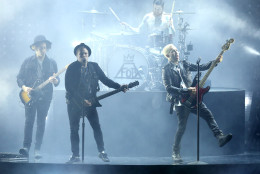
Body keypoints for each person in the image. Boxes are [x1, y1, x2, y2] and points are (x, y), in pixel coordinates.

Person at [161, 44, 232, 162]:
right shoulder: (166, 69)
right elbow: (168, 88)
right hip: (180, 100)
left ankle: (219, 137)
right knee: (182, 127)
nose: (177, 52)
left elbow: (201, 67)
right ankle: (175, 153)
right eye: (173, 51)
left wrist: (215, 61)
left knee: (208, 115)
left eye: (177, 50)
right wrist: (186, 90)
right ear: (168, 55)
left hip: (193, 97)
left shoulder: (184, 63)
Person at [65, 43, 127, 163]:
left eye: (85, 53)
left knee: (96, 127)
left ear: (88, 55)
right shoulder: (71, 68)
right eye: (80, 54)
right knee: (74, 128)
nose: (83, 56)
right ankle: (75, 155)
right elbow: (69, 88)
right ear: (76, 56)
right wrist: (81, 101)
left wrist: (119, 86)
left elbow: (105, 80)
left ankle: (102, 152)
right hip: (74, 103)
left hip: (91, 102)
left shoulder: (94, 66)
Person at [17, 35, 60, 159]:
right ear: (34, 48)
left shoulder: (52, 63)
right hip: (30, 96)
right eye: (40, 47)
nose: (42, 50)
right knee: (29, 121)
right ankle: (26, 147)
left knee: (41, 123)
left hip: (45, 97)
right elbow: (19, 78)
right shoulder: (27, 61)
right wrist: (25, 88)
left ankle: (37, 149)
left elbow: (58, 81)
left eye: (44, 48)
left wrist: (55, 81)